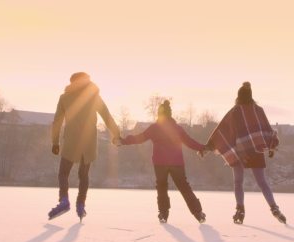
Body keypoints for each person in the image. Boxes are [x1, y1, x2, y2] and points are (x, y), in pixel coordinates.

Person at [203, 82, 286, 224]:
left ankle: (240, 210)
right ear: (251, 95)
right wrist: (271, 146)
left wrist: (208, 146)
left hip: (239, 152)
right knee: (262, 182)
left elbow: (221, 130)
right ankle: (274, 208)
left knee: (238, 182)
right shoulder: (258, 110)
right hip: (256, 150)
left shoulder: (235, 111)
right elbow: (267, 129)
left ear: (238, 96)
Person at [48, 72, 121, 221]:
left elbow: (57, 121)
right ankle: (81, 204)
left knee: (63, 173)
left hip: (71, 141)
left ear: (72, 82)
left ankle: (64, 200)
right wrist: (116, 134)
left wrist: (55, 142)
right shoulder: (93, 97)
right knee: (83, 175)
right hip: (88, 141)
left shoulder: (65, 97)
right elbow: (107, 116)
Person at [121, 100, 207, 224]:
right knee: (184, 187)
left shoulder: (154, 128)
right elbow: (189, 142)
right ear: (170, 114)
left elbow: (139, 138)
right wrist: (202, 147)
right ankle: (198, 213)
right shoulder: (177, 129)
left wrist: (124, 141)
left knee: (161, 187)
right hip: (177, 163)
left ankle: (163, 214)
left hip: (160, 163)